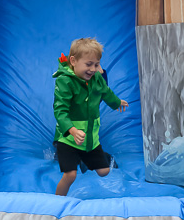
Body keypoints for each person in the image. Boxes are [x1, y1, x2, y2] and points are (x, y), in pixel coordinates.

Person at [53, 38, 128, 196]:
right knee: (70, 175)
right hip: (68, 139)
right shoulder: (65, 81)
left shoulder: (96, 78)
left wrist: (116, 102)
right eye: (89, 64)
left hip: (89, 138)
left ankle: (83, 157)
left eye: (96, 64)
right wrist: (72, 130)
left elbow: (105, 91)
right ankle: (57, 202)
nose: (93, 69)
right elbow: (60, 110)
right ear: (73, 61)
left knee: (104, 171)